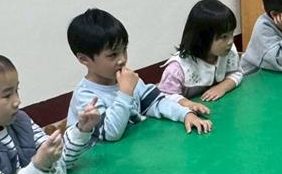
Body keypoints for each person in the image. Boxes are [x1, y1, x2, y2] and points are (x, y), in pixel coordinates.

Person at [66, 8, 211, 141]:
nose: (122, 59)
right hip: (98, 158)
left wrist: (185, 114)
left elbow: (156, 103)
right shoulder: (86, 95)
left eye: (124, 50)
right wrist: (125, 92)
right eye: (112, 55)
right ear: (84, 59)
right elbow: (110, 133)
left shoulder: (128, 79)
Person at [158, 0, 243, 102]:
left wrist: (222, 87)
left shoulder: (227, 51)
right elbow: (165, 96)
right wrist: (187, 104)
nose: (230, 41)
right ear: (203, 38)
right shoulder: (177, 69)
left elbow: (237, 73)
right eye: (224, 37)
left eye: (232, 34)